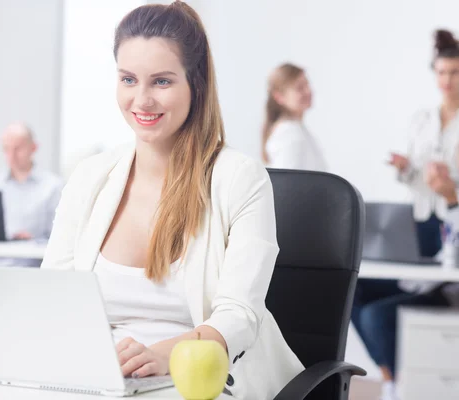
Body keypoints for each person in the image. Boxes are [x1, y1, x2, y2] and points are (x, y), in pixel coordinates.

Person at [40, 3, 303, 399]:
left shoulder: (239, 179)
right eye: (128, 79)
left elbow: (239, 314)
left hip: (203, 379)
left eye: (161, 82)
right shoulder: (90, 177)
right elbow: (53, 297)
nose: (141, 100)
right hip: (100, 380)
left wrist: (171, 352)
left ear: (195, 84)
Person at [352, 123, 459, 400]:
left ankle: (399, 385)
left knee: (375, 316)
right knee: (352, 289)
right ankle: (389, 374)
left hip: (457, 292)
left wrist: (450, 199)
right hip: (435, 281)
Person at [388, 29, 459, 258]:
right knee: (421, 276)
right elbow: (412, 175)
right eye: (441, 72)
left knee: (452, 273)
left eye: (454, 72)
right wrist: (405, 168)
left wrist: (450, 180)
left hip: (458, 214)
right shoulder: (420, 120)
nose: (447, 80)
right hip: (423, 214)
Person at [0, 122, 63, 241]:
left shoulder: (52, 187)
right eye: (6, 149)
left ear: (33, 148)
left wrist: (34, 240)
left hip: (29, 258)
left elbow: (59, 237)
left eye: (17, 148)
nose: (11, 155)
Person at [262, 63, 327, 171]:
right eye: (300, 88)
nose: (308, 91)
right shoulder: (288, 132)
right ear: (279, 96)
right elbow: (287, 184)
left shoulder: (296, 128)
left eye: (307, 84)